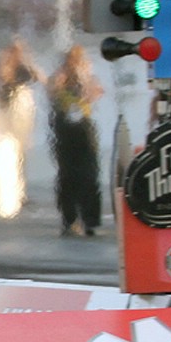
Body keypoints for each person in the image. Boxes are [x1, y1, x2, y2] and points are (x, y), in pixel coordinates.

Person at [47, 45, 103, 237]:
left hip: (83, 129)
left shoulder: (87, 79)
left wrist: (83, 78)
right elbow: (51, 92)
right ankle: (69, 219)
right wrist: (63, 78)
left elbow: (96, 93)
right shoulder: (59, 78)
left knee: (89, 174)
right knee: (67, 176)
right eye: (71, 61)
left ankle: (90, 220)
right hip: (64, 130)